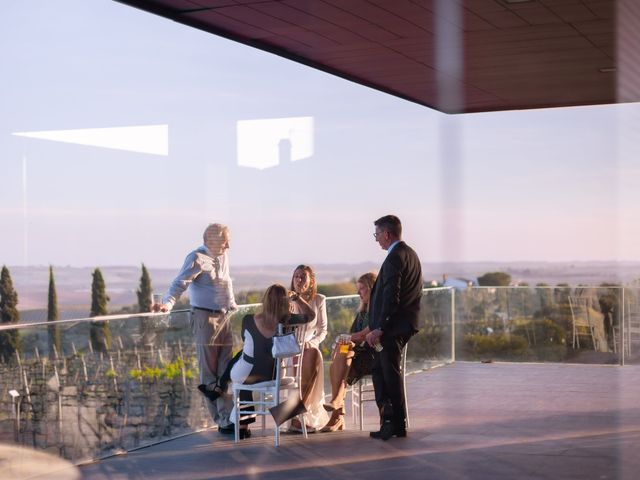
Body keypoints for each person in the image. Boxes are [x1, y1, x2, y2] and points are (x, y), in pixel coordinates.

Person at [154, 223, 237, 435]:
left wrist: (232, 304)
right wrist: (167, 304)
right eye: (225, 240)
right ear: (212, 240)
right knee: (209, 371)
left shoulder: (222, 257)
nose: (228, 245)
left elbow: (226, 282)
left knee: (226, 370)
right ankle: (222, 420)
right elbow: (179, 283)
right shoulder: (196, 257)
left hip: (225, 317)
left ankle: (228, 416)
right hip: (205, 318)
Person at [229, 284, 316, 438]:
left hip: (249, 374)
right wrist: (297, 298)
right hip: (274, 376)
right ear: (286, 301)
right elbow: (311, 316)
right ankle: (279, 415)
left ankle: (241, 426)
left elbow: (246, 342)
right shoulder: (289, 321)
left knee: (240, 377)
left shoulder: (248, 320)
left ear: (265, 300)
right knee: (245, 376)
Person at [366, 215, 423, 440]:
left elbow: (392, 297)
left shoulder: (394, 258)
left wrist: (379, 327)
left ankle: (393, 422)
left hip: (392, 329)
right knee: (383, 371)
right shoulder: (410, 254)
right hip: (402, 324)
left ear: (387, 234)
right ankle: (393, 422)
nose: (377, 239)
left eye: (377, 234)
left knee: (388, 374)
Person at [321, 272, 377, 432]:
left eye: (362, 289)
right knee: (342, 352)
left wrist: (343, 339)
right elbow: (353, 338)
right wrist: (343, 341)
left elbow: (362, 335)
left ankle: (337, 414)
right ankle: (337, 407)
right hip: (355, 355)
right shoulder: (362, 312)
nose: (358, 293)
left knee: (339, 361)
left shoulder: (377, 312)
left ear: (372, 289)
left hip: (372, 355)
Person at [288, 265, 329, 432]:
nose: (298, 280)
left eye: (303, 277)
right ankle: (297, 416)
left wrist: (312, 342)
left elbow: (323, 330)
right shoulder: (287, 299)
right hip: (289, 347)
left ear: (311, 281)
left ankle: (298, 415)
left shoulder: (319, 299)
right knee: (304, 356)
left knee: (312, 353)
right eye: (296, 276)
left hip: (309, 345)